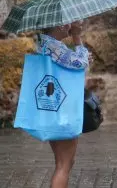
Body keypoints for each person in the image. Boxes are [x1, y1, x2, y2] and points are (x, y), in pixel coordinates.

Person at [38, 21, 90, 188]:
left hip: (53, 108)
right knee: (64, 166)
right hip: (63, 111)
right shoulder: (54, 46)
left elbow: (78, 62)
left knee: (62, 162)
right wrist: (77, 36)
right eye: (67, 23)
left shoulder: (44, 43)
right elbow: (80, 64)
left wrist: (82, 57)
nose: (70, 25)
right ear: (59, 25)